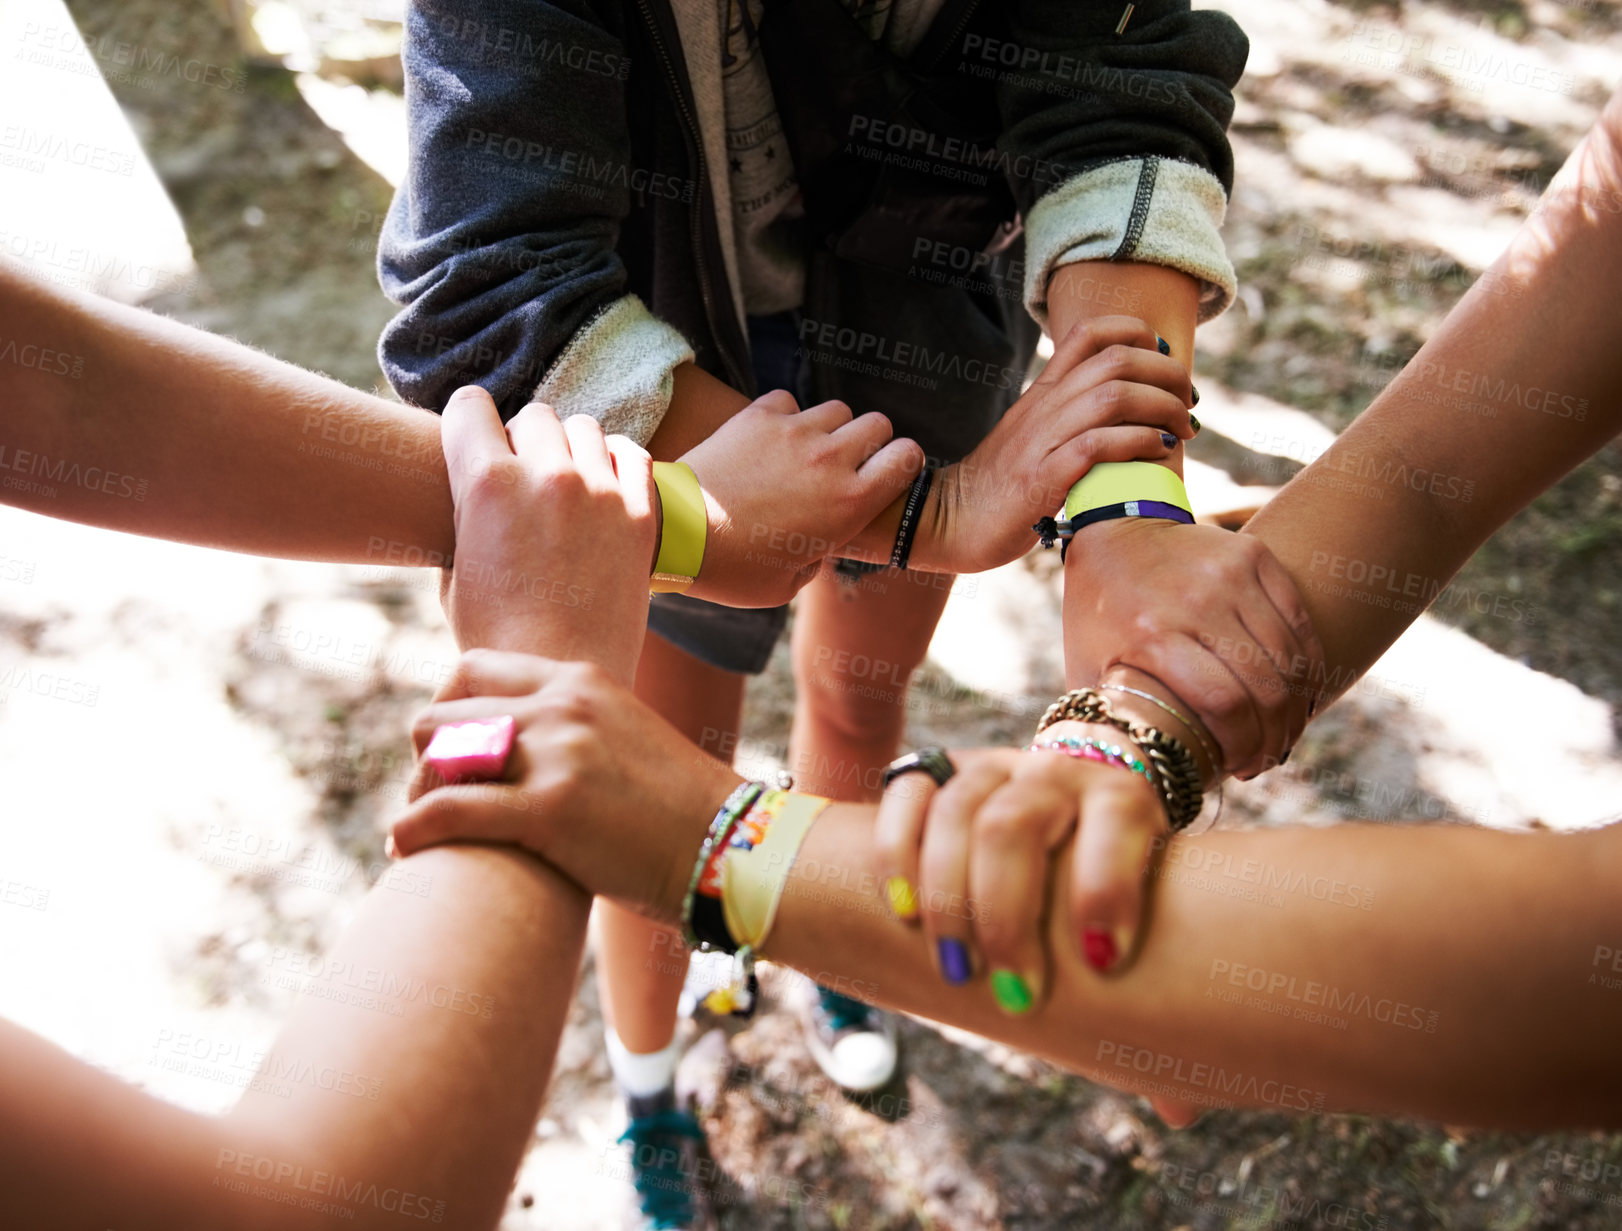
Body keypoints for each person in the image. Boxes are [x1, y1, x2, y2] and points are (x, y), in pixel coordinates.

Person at [386, 67, 1622, 1136]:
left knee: (844, 716)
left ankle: (826, 973)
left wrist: (718, 845)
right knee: (688, 724)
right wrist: (1127, 731)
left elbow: (1573, 979)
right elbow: (1468, 423)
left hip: (903, 399)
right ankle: (651, 1086)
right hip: (707, 436)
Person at [378, 5, 1256, 1217]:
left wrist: (1121, 509)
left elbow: (1116, 70)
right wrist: (924, 519)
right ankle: (650, 1082)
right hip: (657, 400)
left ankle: (840, 945)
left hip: (922, 368)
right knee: (663, 764)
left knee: (854, 704)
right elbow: (492, 285)